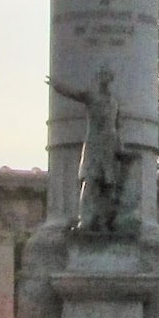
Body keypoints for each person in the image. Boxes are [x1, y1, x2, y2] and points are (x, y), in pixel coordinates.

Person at [50, 67, 127, 232]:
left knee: (109, 185)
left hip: (110, 146)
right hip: (94, 144)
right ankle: (85, 219)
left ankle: (104, 220)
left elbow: (118, 125)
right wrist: (57, 86)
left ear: (111, 79)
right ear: (98, 78)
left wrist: (120, 146)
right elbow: (74, 94)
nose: (104, 79)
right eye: (102, 75)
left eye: (107, 75)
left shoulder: (114, 102)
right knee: (90, 181)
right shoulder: (91, 96)